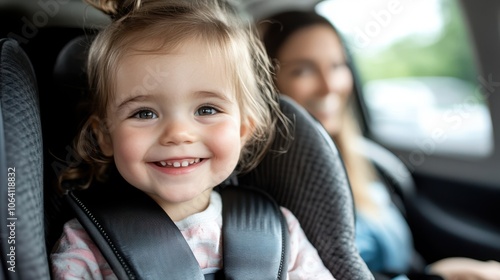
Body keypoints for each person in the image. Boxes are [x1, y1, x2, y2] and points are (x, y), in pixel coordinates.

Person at [49, 1, 336, 279]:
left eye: (207, 109)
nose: (177, 133)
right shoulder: (86, 246)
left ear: (243, 130)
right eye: (144, 113)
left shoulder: (278, 232)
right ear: (105, 136)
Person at [260, 10, 500, 280]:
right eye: (302, 70)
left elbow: (424, 234)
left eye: (338, 66)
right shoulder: (268, 194)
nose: (330, 85)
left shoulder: (371, 162)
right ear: (267, 85)